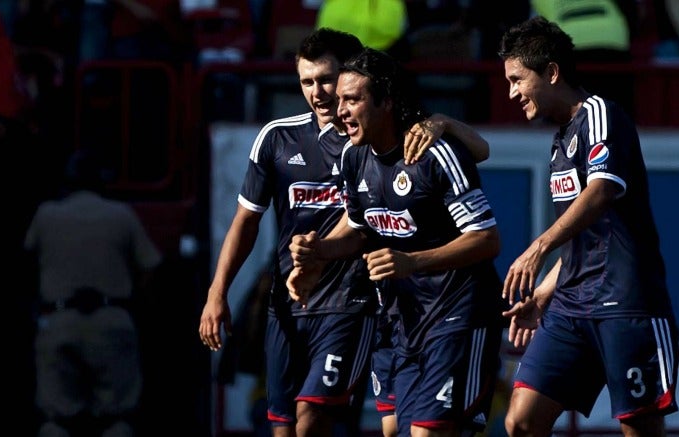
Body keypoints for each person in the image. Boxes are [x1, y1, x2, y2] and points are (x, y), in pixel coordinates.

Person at [198, 28, 491, 437]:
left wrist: (442, 122)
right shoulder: (293, 141)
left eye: (330, 82)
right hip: (311, 299)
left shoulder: (401, 140)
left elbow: (478, 156)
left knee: (319, 418)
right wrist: (224, 290)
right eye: (306, 82)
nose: (321, 94)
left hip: (365, 301)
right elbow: (336, 224)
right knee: (303, 427)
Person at [286, 47, 508, 437]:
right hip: (402, 321)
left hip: (457, 317)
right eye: (339, 101)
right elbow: (358, 229)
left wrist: (413, 262)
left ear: (387, 101)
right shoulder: (354, 159)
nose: (340, 111)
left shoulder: (434, 153)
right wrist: (316, 253)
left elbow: (487, 239)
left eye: (352, 100)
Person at [497, 16, 679, 437]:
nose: (511, 92)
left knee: (641, 429)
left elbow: (602, 190)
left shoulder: (600, 113)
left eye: (517, 79)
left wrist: (538, 247)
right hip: (571, 306)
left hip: (626, 302)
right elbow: (586, 231)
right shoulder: (561, 139)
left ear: (552, 72)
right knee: (521, 420)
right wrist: (543, 293)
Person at [24, 148, 163, 437]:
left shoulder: (46, 214)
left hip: (58, 320)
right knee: (117, 419)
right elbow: (151, 266)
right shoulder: (121, 215)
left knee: (56, 420)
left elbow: (26, 261)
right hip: (111, 319)